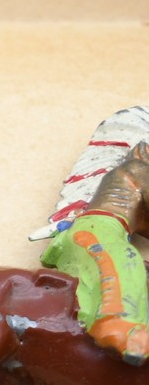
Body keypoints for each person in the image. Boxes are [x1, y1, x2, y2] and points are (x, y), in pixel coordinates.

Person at [40, 140, 149, 364]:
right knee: (122, 260)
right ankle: (117, 325)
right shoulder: (136, 169)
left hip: (112, 230)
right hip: (97, 226)